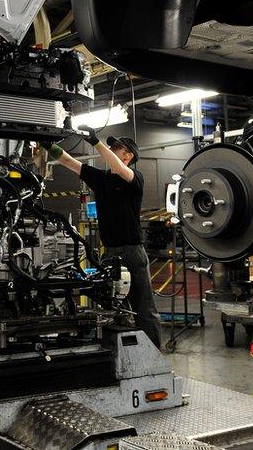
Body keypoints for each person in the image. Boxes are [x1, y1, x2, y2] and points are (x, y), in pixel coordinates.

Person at [42, 126, 162, 348]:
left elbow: (117, 166)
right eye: (112, 147)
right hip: (110, 254)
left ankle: (156, 354)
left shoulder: (134, 178)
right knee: (112, 308)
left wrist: (96, 142)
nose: (114, 150)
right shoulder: (100, 178)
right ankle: (118, 353)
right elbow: (69, 162)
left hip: (132, 252)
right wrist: (48, 145)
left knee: (144, 307)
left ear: (129, 156)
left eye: (118, 147)